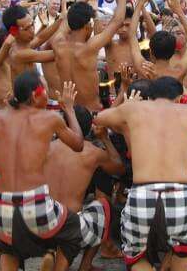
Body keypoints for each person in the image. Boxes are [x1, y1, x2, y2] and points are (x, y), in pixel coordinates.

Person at [95, 77, 187, 270]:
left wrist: (127, 105)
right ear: (178, 98)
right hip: (179, 193)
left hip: (142, 193)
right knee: (185, 248)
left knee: (135, 255)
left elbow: (100, 118)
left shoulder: (135, 109)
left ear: (150, 97)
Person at [0, 71, 85, 271]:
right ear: (35, 94)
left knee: (8, 248)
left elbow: (11, 113)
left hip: (0, 207)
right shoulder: (50, 118)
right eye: (45, 89)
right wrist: (69, 109)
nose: (48, 93)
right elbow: (78, 144)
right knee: (73, 227)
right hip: (36, 204)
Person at [43, 105, 126, 270]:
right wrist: (105, 139)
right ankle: (85, 265)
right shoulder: (92, 152)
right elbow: (119, 168)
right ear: (89, 128)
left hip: (41, 219)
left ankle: (50, 252)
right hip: (69, 224)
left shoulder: (46, 148)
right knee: (103, 205)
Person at [52, 0, 129, 111]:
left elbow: (71, 14)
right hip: (91, 113)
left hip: (68, 113)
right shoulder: (90, 47)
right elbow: (118, 21)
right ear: (88, 26)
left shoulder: (58, 42)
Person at [129, 0, 187, 83]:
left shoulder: (146, 69)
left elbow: (132, 36)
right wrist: (179, 11)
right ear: (173, 51)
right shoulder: (179, 70)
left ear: (151, 53)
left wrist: (139, 4)